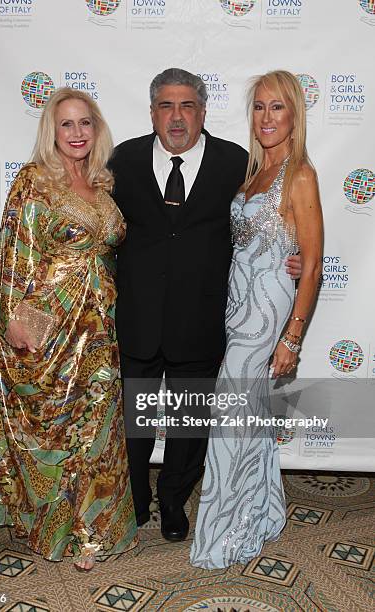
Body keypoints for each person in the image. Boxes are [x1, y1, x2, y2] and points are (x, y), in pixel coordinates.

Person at [109, 68, 302, 542]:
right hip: (136, 317)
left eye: (187, 106)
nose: (177, 118)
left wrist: (289, 258)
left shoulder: (234, 162)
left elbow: (264, 221)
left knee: (189, 427)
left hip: (202, 319)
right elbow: (101, 230)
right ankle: (134, 503)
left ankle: (173, 500)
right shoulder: (123, 159)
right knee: (133, 423)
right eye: (167, 107)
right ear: (152, 112)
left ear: (202, 111)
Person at [0, 87, 138, 571]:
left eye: (85, 123)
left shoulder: (102, 182)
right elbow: (15, 257)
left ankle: (93, 533)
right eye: (66, 124)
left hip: (101, 329)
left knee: (100, 428)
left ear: (97, 128)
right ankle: (49, 525)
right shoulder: (33, 182)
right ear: (52, 130)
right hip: (53, 329)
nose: (76, 133)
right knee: (55, 430)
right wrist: (18, 325)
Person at [190, 70, 323, 569]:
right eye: (260, 107)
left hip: (266, 314)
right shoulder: (253, 174)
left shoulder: (299, 174)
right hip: (236, 307)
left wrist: (292, 336)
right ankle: (264, 512)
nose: (267, 117)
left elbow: (310, 263)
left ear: (294, 116)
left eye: (278, 107)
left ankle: (225, 532)